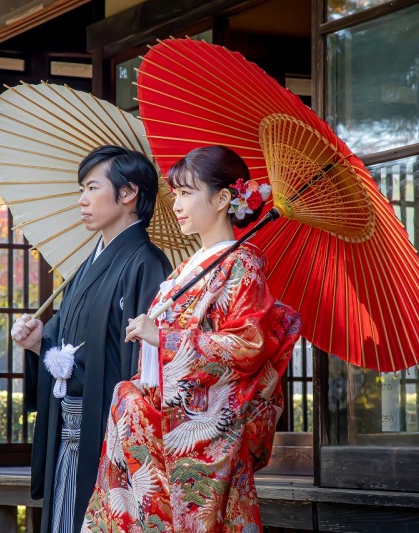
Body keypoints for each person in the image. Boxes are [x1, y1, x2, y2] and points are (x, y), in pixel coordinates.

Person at [83, 145, 302, 532]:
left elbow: (247, 344)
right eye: (176, 194)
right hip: (156, 420)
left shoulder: (242, 263)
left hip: (195, 431)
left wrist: (164, 338)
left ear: (221, 199)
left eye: (187, 193)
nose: (177, 204)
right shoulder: (189, 267)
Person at [11, 145, 172, 533]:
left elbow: (145, 366)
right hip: (69, 428)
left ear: (129, 193)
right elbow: (65, 344)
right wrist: (37, 345)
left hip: (110, 433)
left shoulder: (148, 263)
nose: (82, 200)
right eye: (81, 189)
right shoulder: (86, 265)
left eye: (91, 188)